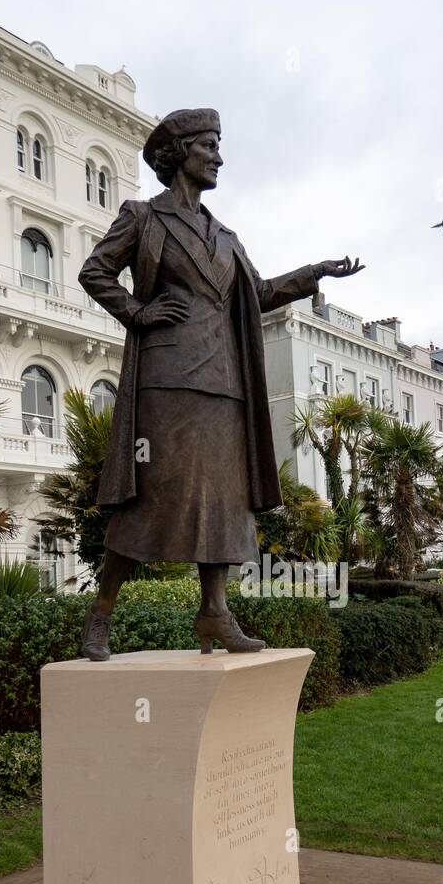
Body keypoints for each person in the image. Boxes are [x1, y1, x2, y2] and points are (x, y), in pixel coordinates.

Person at [77, 107, 363, 660]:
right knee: (149, 498)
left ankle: (214, 613)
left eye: (218, 146)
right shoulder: (143, 217)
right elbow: (95, 271)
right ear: (179, 152)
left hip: (225, 384)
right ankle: (101, 614)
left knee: (224, 503)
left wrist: (313, 275)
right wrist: (136, 312)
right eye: (209, 146)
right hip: (166, 382)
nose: (219, 157)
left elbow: (256, 294)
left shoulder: (227, 238)